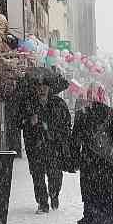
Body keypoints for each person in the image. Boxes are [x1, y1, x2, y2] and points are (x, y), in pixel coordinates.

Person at [71, 86, 113, 224]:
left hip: (88, 164)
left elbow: (74, 141)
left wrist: (76, 159)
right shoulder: (111, 114)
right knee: (106, 198)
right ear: (104, 97)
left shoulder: (82, 115)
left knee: (90, 197)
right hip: (106, 167)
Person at [21, 81, 72, 214]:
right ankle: (42, 203)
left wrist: (56, 132)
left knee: (55, 174)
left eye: (45, 87)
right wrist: (28, 121)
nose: (42, 90)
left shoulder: (58, 103)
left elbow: (67, 124)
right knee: (37, 176)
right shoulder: (29, 104)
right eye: (39, 87)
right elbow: (18, 122)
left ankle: (54, 194)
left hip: (54, 146)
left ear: (50, 88)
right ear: (35, 89)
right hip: (35, 146)